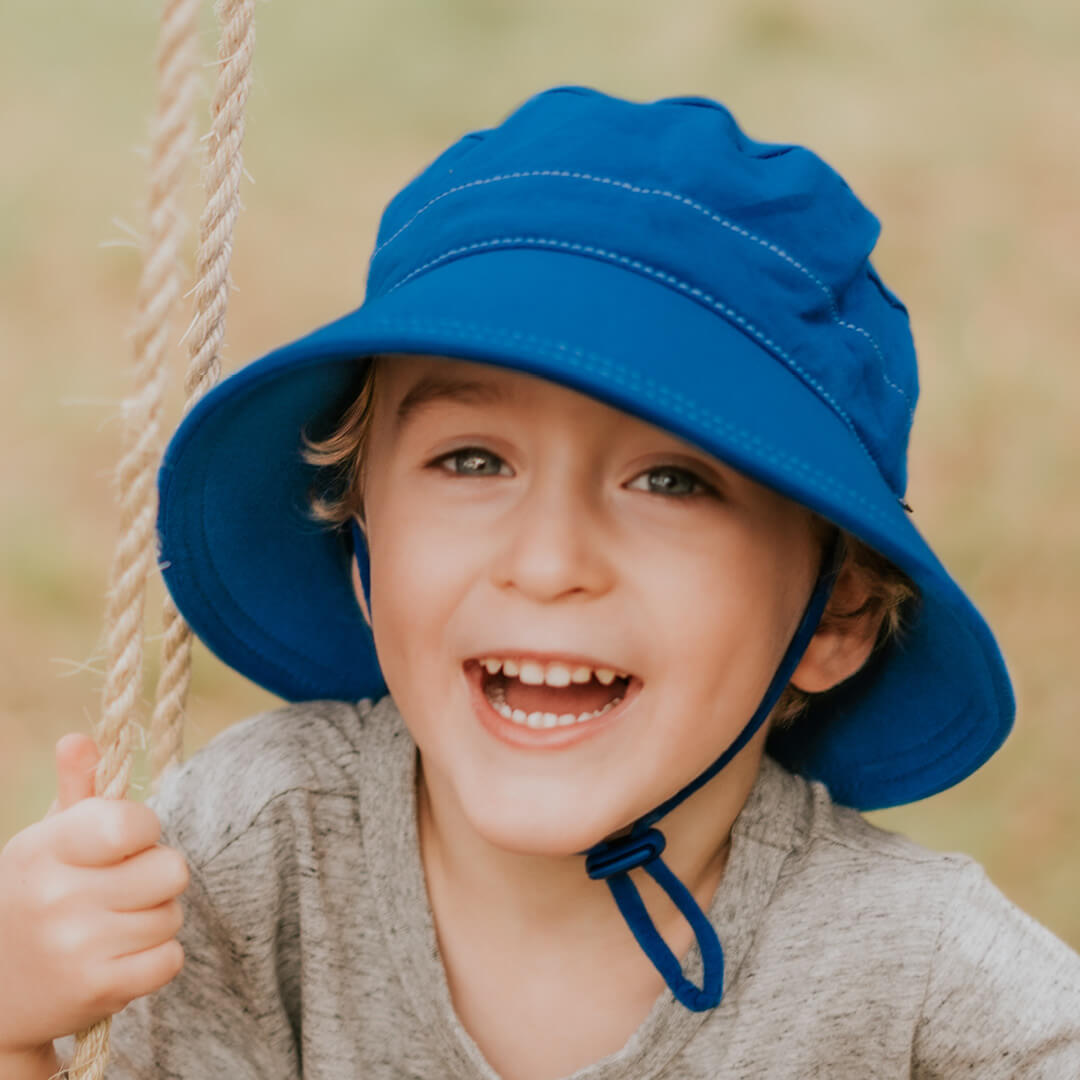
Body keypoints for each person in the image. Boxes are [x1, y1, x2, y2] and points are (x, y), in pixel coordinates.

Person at [2, 85, 1078, 1080]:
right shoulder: (254, 851)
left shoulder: (912, 965)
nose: (550, 562)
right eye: (472, 461)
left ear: (835, 610)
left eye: (672, 480)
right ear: (361, 541)